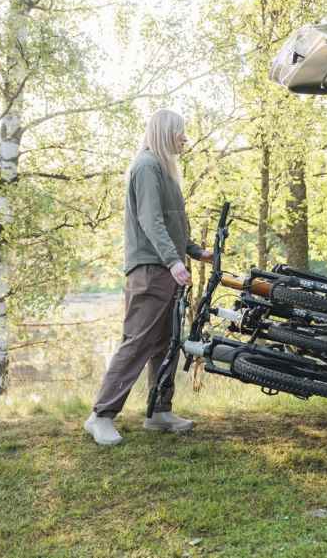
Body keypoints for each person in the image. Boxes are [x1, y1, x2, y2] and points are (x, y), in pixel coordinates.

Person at [84, 108, 212, 446]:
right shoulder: (147, 167)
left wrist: (196, 252)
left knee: (166, 342)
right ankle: (101, 415)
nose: (185, 138)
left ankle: (158, 411)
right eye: (180, 132)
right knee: (139, 341)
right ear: (165, 132)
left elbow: (172, 224)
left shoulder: (166, 172)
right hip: (150, 270)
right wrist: (173, 261)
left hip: (166, 268)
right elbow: (150, 220)